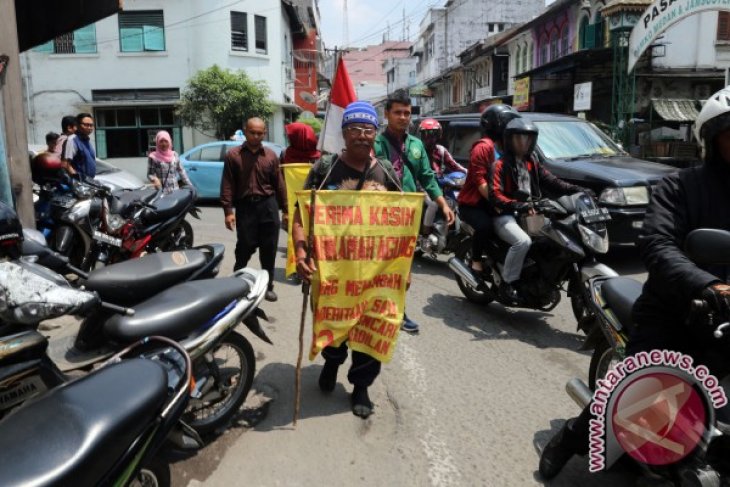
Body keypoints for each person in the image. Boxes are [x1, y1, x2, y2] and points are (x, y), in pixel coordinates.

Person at [538, 86, 730, 480]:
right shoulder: (678, 187)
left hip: (726, 322)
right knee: (642, 389)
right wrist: (707, 284)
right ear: (713, 139)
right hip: (676, 314)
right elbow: (657, 244)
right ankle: (571, 438)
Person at [292, 101, 400, 419]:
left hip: (375, 272)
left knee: (370, 328)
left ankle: (361, 386)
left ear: (375, 133)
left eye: (368, 130)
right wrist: (300, 252)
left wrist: (403, 269)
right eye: (355, 129)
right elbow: (300, 215)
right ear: (344, 133)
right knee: (334, 323)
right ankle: (332, 361)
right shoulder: (325, 171)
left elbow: (404, 222)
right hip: (333, 269)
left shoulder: (388, 173)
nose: (362, 136)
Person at [374, 93, 455, 334]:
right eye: (397, 112)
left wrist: (443, 203)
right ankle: (377, 308)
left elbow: (428, 178)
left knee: (404, 273)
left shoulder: (417, 145)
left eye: (407, 113)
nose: (402, 117)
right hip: (380, 215)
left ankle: (397, 311)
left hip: (408, 217)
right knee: (379, 267)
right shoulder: (376, 143)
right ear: (387, 114)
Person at [489, 117, 585, 304]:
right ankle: (507, 283)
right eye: (519, 138)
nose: (524, 143)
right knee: (522, 242)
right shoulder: (499, 165)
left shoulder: (531, 162)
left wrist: (577, 189)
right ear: (509, 140)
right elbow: (495, 196)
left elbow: (552, 181)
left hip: (531, 215)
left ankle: (541, 280)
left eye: (528, 139)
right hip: (505, 216)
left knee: (559, 237)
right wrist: (518, 205)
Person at [221, 117, 286, 303]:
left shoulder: (271, 156)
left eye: (259, 133)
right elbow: (227, 184)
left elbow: (279, 184)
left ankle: (268, 286)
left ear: (264, 133)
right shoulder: (233, 155)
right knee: (244, 247)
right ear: (245, 131)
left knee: (269, 249)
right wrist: (228, 211)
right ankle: (236, 284)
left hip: (268, 206)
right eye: (252, 132)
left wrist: (287, 210)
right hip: (246, 208)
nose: (256, 136)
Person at [458, 105, 520, 274]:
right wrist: (499, 202)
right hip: (474, 204)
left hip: (494, 201)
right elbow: (480, 182)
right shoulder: (483, 147)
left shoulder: (507, 147)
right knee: (485, 226)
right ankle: (476, 260)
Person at [417, 118, 466, 234]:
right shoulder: (417, 150)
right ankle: (425, 232)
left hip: (439, 185)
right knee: (434, 204)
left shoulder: (441, 150)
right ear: (422, 136)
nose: (430, 138)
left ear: (438, 135)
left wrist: (469, 173)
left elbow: (454, 165)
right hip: (422, 187)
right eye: (426, 134)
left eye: (433, 134)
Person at [147, 130, 192, 195]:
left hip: (175, 191)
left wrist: (190, 185)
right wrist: (155, 179)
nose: (164, 144)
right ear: (157, 142)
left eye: (166, 141)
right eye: (161, 141)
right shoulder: (153, 157)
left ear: (169, 142)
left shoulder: (174, 155)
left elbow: (181, 171)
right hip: (160, 192)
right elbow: (150, 174)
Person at [62, 113, 96, 180]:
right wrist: (77, 180)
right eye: (86, 125)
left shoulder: (87, 141)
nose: (89, 127)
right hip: (80, 184)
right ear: (77, 125)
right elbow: (66, 164)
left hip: (90, 182)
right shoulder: (72, 140)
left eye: (91, 125)